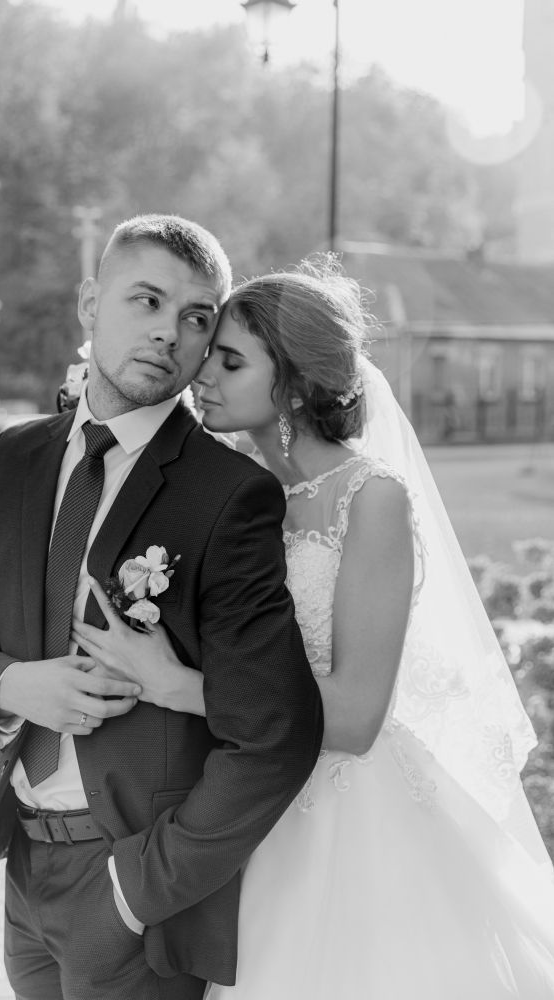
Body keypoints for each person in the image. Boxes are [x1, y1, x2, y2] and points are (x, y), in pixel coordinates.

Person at [75, 256, 554, 999]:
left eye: (231, 361)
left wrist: (180, 686)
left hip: (355, 818)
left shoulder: (371, 498)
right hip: (242, 803)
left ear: (295, 384)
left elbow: (357, 719)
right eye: (210, 354)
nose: (202, 375)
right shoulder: (231, 490)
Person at [0, 214, 323, 1000]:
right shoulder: (14, 458)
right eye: (146, 301)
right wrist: (16, 686)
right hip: (22, 867)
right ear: (90, 303)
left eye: (196, 317)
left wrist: (134, 892)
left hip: (132, 895)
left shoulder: (228, 494)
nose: (168, 333)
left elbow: (275, 733)